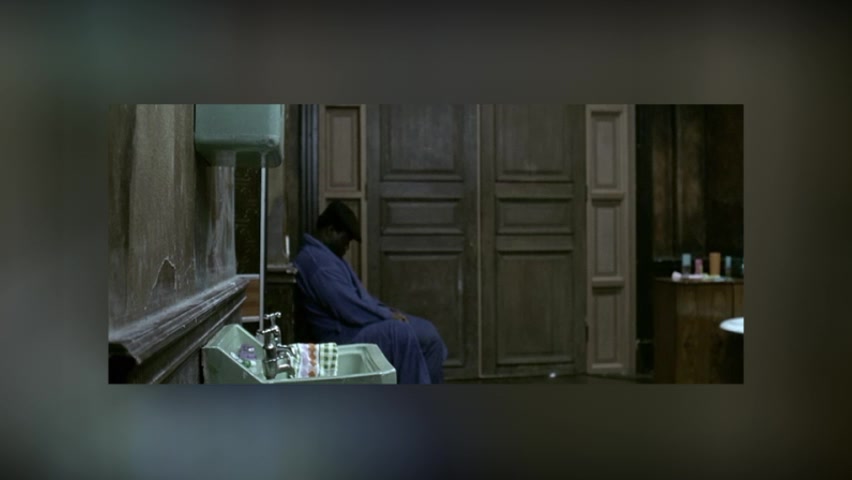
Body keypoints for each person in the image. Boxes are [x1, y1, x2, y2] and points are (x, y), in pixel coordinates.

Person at [293, 201, 448, 384]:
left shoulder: (328, 257)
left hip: (356, 327)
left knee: (428, 334)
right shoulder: (317, 263)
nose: (347, 247)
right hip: (342, 337)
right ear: (330, 231)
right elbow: (350, 309)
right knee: (399, 332)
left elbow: (362, 300)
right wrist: (388, 317)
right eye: (346, 240)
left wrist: (389, 312)